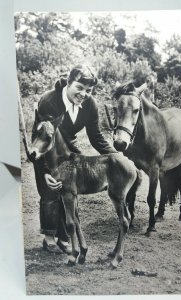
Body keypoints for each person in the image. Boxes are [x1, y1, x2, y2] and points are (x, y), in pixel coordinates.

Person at [32, 65, 117, 254]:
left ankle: (64, 237)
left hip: (69, 147)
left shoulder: (90, 104)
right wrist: (45, 172)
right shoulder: (48, 101)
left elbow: (96, 137)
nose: (83, 94)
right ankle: (49, 237)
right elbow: (43, 138)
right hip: (45, 145)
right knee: (50, 190)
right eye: (79, 87)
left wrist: (117, 157)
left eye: (88, 90)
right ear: (68, 83)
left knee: (70, 191)